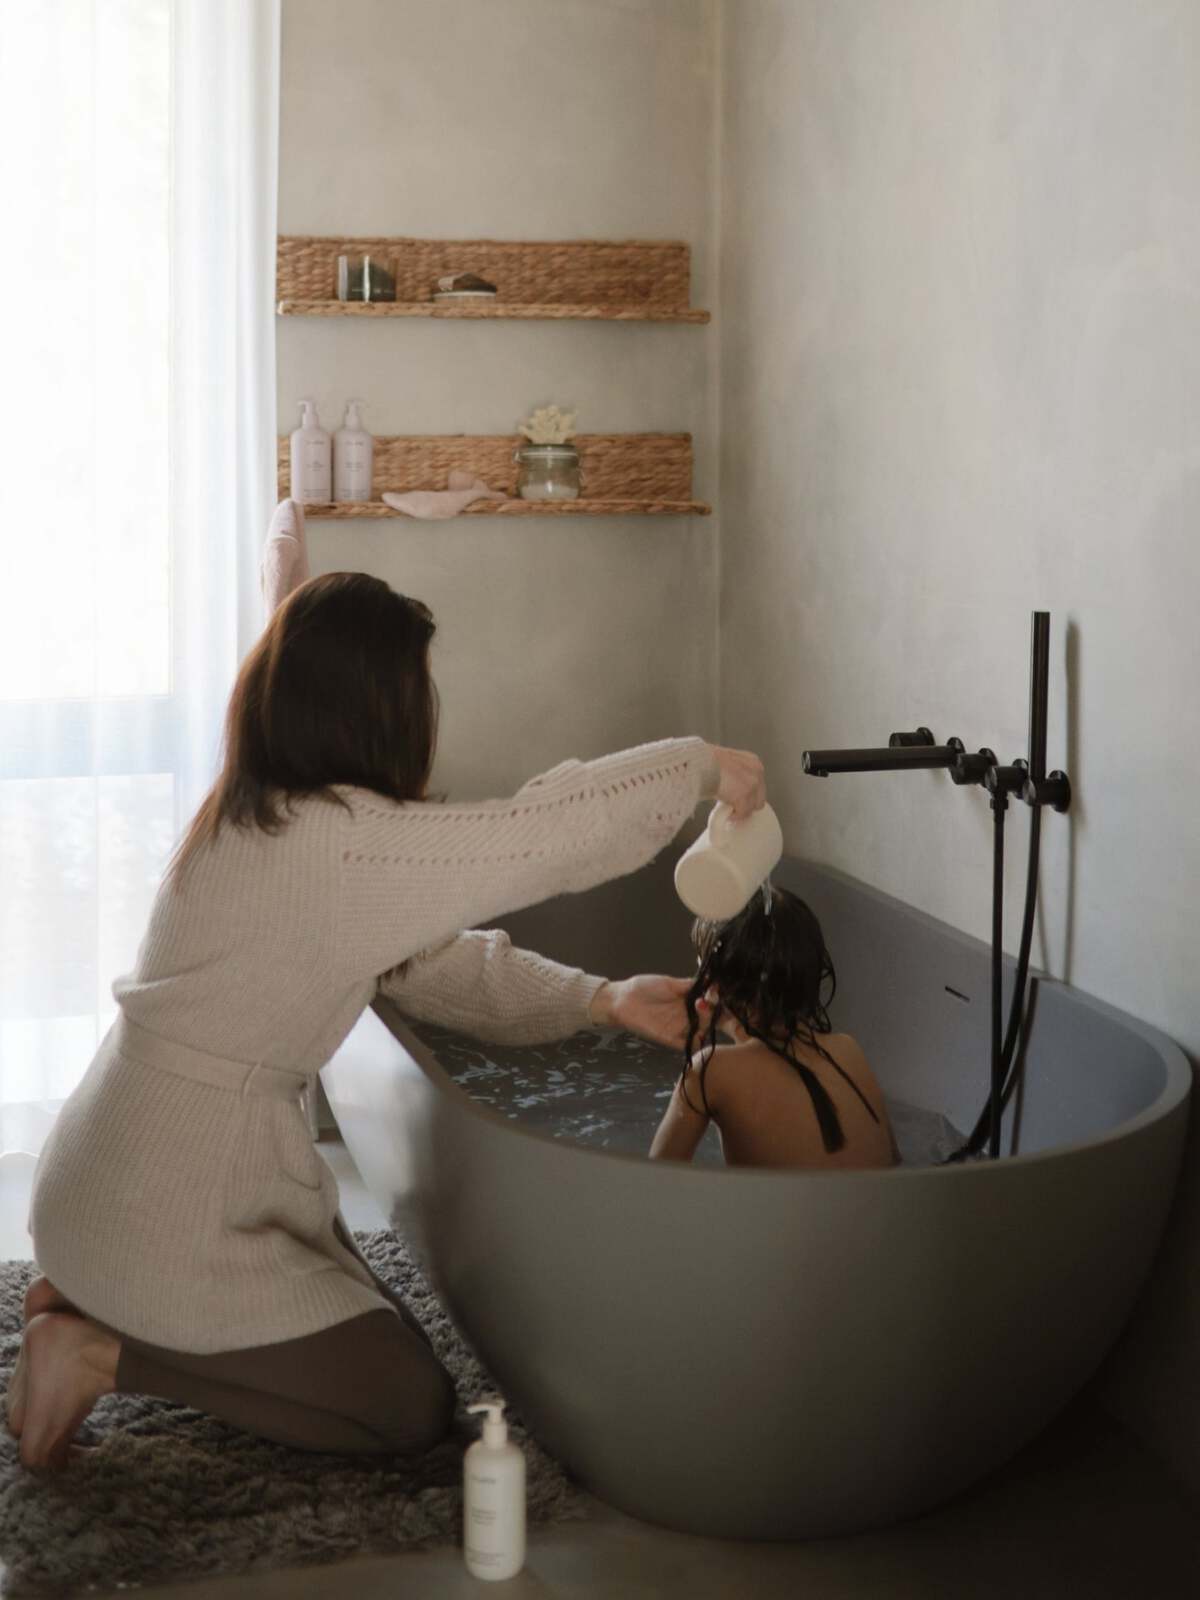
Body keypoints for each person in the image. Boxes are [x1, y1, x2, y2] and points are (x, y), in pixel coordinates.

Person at [7, 572, 766, 1472]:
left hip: (123, 1175)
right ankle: (102, 1350)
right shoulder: (334, 842)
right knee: (405, 1407)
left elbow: (441, 970)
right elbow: (545, 831)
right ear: (376, 708)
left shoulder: (264, 818)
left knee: (384, 1336)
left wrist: (598, 999)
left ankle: (95, 1295)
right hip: (164, 1208)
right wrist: (699, 767)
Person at [649, 886, 897, 1170]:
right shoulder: (848, 1048)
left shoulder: (710, 1072)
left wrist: (691, 1064)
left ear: (712, 983)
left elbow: (657, 1182)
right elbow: (892, 1160)